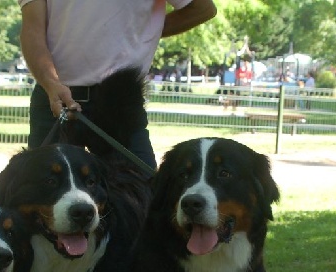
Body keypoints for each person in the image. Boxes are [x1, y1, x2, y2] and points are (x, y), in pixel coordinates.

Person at [19, 0, 217, 168]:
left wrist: (144, 31)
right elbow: (33, 29)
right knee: (41, 199)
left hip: (120, 99)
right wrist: (51, 83)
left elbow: (202, 8)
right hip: (54, 98)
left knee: (140, 196)